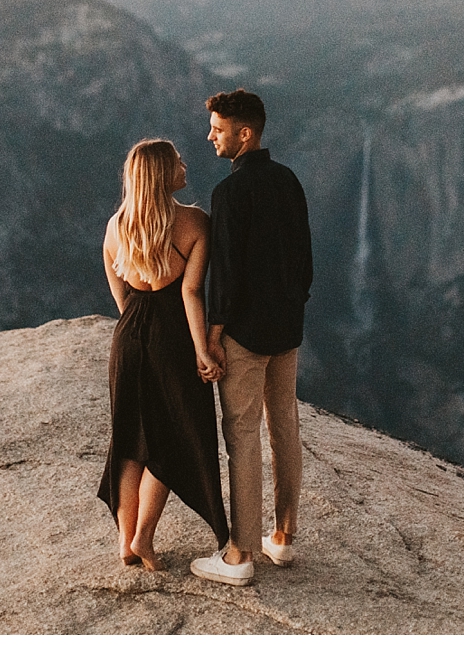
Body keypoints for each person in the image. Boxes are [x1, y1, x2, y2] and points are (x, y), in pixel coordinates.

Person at [190, 89, 313, 588]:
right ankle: (282, 537)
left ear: (245, 133)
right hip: (287, 330)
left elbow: (227, 275)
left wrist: (213, 335)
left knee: (242, 434)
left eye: (218, 130)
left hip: (243, 332)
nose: (210, 137)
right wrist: (292, 307)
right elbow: (305, 261)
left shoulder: (229, 194)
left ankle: (239, 553)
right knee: (284, 425)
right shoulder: (289, 181)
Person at [97, 138, 229, 571]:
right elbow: (191, 293)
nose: (184, 164)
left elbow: (122, 298)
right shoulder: (195, 223)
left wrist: (138, 332)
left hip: (129, 338)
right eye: (176, 161)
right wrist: (203, 351)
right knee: (172, 440)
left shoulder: (116, 226)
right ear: (161, 175)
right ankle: (144, 538)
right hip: (173, 340)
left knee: (130, 442)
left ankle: (123, 542)